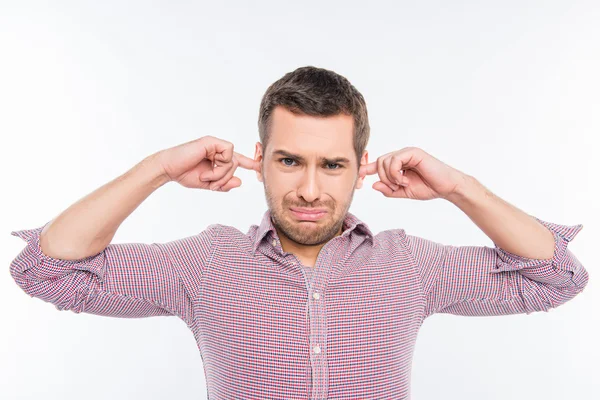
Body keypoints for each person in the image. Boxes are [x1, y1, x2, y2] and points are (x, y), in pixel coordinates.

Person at [10, 65, 588, 400]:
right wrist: (158, 168)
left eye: (332, 165)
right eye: (289, 162)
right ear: (259, 159)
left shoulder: (408, 263)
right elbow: (49, 269)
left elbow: (554, 276)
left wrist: (459, 186)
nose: (311, 190)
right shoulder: (207, 262)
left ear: (361, 166)